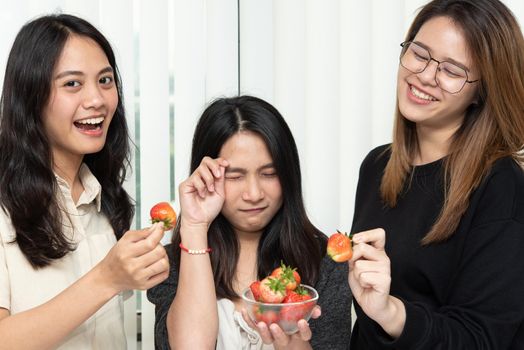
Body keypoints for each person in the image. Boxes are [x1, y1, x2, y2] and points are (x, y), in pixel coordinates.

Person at [348, 0, 524, 349]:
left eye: (453, 71)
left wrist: (392, 314)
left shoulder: (502, 186)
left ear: (482, 91)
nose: (426, 75)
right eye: (420, 53)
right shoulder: (376, 167)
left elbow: (482, 339)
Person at [0, 14, 169, 349]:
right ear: (30, 96)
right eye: (72, 84)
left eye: (105, 80)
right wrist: (106, 279)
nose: (97, 100)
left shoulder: (104, 198)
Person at [147, 95, 352, 349]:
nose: (254, 193)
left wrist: (291, 342)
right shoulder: (174, 265)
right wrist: (195, 226)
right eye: (235, 176)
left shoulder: (325, 264)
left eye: (269, 173)